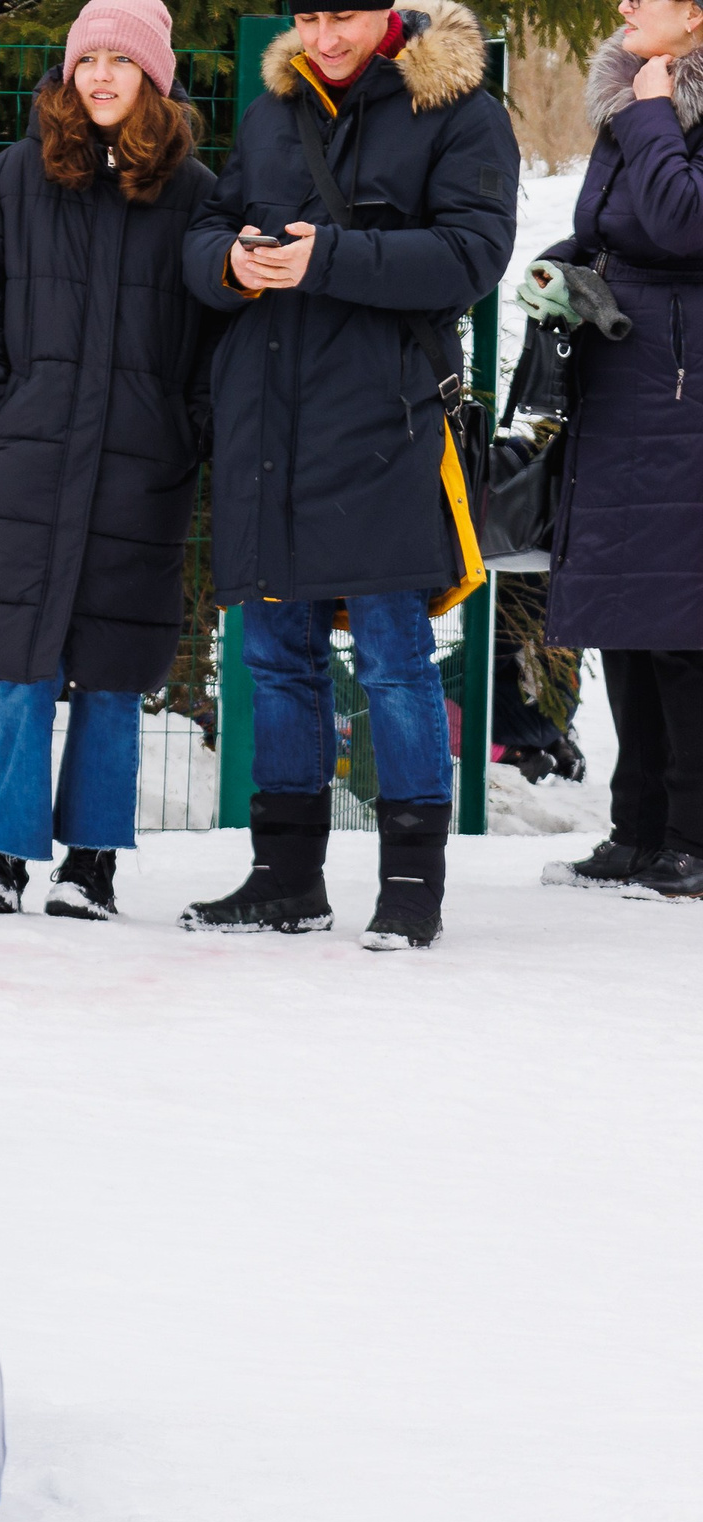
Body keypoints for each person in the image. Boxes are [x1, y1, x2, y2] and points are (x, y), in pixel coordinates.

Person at [182, 4, 517, 949]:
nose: (325, 37)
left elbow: (471, 256)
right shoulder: (272, 107)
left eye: (346, 17)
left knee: (395, 663)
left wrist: (326, 258)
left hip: (387, 422)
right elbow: (206, 228)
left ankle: (412, 887)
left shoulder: (462, 109)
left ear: (389, 13)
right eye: (311, 16)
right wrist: (232, 263)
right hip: (267, 423)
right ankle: (284, 878)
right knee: (274, 659)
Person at [0, 0, 219, 920]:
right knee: (19, 661)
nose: (99, 75)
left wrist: (190, 426)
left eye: (120, 61)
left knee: (114, 663)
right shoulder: (13, 179)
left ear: (153, 78)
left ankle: (91, 861)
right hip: (27, 456)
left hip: (139, 463)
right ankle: (2, 853)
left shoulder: (196, 194)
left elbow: (221, 329)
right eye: (86, 58)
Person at [526, 3, 703, 900]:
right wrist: (569, 260)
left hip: (685, 383)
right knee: (630, 620)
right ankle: (636, 830)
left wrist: (648, 114)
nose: (627, 6)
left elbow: (683, 223)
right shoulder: (635, 89)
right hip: (627, 369)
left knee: (685, 628)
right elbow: (613, 219)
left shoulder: (653, 100)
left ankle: (692, 836)